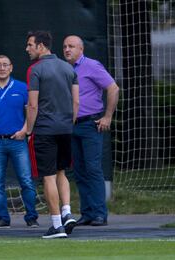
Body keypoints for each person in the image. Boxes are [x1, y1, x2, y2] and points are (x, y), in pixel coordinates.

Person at [0, 54, 39, 229]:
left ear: (11, 68)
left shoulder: (22, 87)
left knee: (26, 180)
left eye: (5, 65)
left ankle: (32, 217)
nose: (2, 68)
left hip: (18, 141)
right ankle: (2, 218)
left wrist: (25, 131)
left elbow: (31, 112)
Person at [25, 31, 79, 239]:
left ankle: (57, 226)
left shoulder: (35, 70)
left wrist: (29, 130)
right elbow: (76, 102)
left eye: (30, 45)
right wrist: (69, 123)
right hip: (65, 129)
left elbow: (32, 105)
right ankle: (66, 212)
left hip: (45, 130)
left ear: (41, 46)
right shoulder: (68, 67)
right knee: (61, 172)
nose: (27, 49)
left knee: (48, 177)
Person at [63, 35, 119, 226]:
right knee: (79, 171)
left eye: (71, 46)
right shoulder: (65, 69)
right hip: (71, 125)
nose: (67, 49)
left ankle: (99, 214)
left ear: (81, 49)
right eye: (64, 47)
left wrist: (108, 116)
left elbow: (113, 88)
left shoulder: (92, 66)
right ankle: (87, 213)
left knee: (93, 168)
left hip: (90, 124)